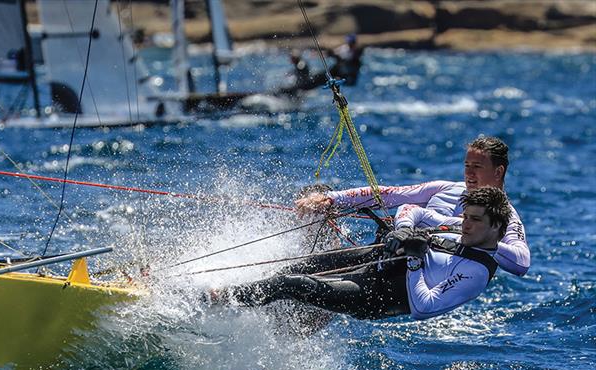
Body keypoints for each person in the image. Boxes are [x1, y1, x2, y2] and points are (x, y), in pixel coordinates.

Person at [211, 187, 512, 321]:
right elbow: (414, 210)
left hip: (374, 295)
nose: (465, 225)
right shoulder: (463, 226)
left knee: (293, 284)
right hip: (377, 259)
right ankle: (252, 301)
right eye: (466, 217)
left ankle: (216, 301)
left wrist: (416, 259)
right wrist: (403, 230)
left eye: (474, 220)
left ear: (496, 226)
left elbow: (424, 307)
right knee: (301, 268)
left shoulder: (475, 274)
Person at [295, 136, 530, 277]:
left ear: (498, 172)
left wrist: (476, 236)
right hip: (385, 254)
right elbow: (390, 195)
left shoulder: (505, 215)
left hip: (412, 277)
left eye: (477, 166)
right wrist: (331, 198)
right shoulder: (445, 188)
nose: (469, 173)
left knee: (308, 284)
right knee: (316, 200)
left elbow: (521, 263)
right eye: (467, 165)